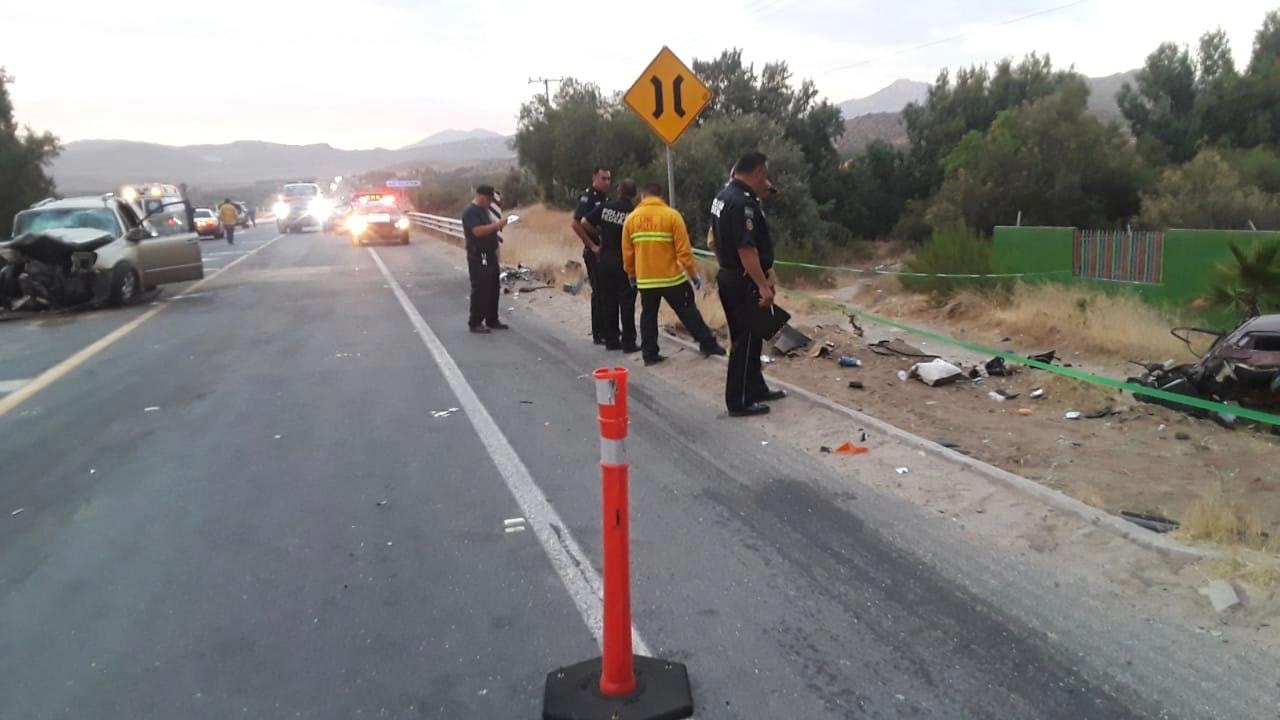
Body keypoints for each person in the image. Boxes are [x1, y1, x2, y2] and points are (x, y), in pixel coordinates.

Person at [711, 151, 788, 417]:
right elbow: (746, 250)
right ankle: (738, 400)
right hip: (743, 280)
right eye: (764, 176)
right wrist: (763, 286)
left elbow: (716, 241)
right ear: (757, 173)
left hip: (731, 275)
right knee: (744, 340)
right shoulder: (743, 204)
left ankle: (755, 387)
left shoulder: (723, 197)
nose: (766, 181)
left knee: (754, 337)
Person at [622, 183, 725, 366]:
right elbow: (684, 252)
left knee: (648, 316)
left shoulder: (631, 219)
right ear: (661, 197)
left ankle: (650, 354)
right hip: (671, 279)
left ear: (643, 196)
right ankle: (707, 344)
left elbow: (628, 253)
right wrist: (693, 275)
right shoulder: (672, 216)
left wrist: (631, 274)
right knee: (688, 312)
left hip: (646, 280)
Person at [582, 179, 639, 352]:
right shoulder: (633, 212)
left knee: (608, 301)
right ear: (634, 194)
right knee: (627, 302)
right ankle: (629, 342)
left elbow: (584, 222)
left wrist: (599, 233)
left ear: (619, 191)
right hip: (624, 261)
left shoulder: (606, 207)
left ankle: (611, 340)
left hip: (604, 259)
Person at [570, 167, 613, 345]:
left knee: (607, 291)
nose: (607, 182)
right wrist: (592, 244)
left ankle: (608, 329)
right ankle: (599, 333)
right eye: (604, 178)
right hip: (594, 253)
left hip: (605, 252)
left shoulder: (604, 199)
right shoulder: (588, 197)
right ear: (594, 178)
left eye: (609, 179)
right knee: (599, 292)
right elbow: (576, 223)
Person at [461, 185, 510, 333]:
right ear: (481, 197)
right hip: (479, 254)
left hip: (489, 253)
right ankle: (475, 321)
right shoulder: (471, 212)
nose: (490, 203)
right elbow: (477, 231)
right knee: (481, 286)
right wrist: (497, 225)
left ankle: (492, 319)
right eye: (489, 200)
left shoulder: (484, 210)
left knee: (493, 286)